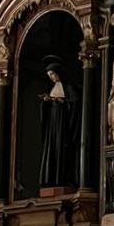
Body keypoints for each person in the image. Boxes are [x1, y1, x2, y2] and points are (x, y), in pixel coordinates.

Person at [39, 57, 79, 190]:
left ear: (58, 73)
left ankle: (63, 178)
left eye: (52, 74)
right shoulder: (54, 87)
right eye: (49, 75)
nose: (51, 77)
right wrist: (46, 101)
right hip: (53, 123)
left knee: (61, 148)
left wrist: (58, 101)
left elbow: (74, 103)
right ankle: (50, 179)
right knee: (52, 149)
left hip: (62, 123)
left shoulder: (68, 87)